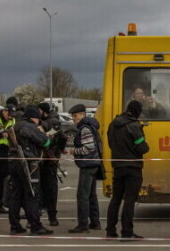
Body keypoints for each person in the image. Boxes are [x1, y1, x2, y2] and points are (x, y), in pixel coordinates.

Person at [106, 100, 150, 239]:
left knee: (116, 199)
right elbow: (142, 148)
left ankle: (110, 231)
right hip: (133, 167)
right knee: (129, 200)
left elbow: (110, 143)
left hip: (118, 166)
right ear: (136, 111)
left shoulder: (113, 124)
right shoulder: (134, 126)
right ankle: (127, 232)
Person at [8, 106, 53, 235]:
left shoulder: (15, 126)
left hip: (13, 163)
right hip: (28, 164)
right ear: (34, 118)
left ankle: (15, 225)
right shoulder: (30, 127)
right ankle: (35, 226)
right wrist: (48, 137)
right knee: (32, 194)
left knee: (16, 195)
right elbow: (45, 142)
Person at [67, 104, 103, 233]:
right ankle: (95, 222)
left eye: (75, 116)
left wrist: (72, 151)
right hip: (94, 164)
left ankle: (83, 224)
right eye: (72, 116)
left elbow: (88, 148)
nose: (74, 119)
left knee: (82, 195)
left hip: (88, 165)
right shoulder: (91, 126)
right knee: (92, 195)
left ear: (82, 114)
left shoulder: (85, 129)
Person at [38, 102, 68, 226]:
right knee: (51, 187)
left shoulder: (48, 122)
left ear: (43, 111)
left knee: (43, 187)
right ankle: (52, 216)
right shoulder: (55, 121)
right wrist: (60, 150)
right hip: (52, 158)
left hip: (46, 158)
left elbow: (62, 137)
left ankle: (42, 213)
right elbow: (63, 137)